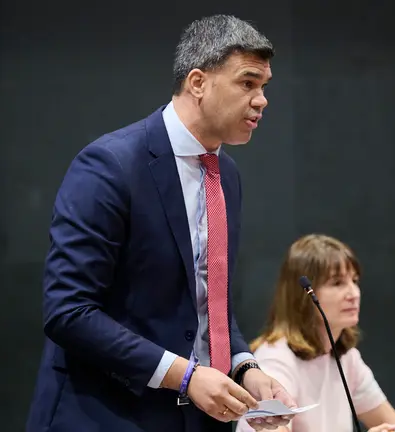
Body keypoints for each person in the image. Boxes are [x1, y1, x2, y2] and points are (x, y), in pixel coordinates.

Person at [25, 14, 296, 432]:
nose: (261, 100)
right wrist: (185, 376)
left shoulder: (226, 174)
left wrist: (245, 367)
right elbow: (69, 311)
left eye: (264, 86)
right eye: (247, 83)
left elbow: (207, 304)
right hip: (105, 415)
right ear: (198, 83)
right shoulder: (110, 165)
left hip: (198, 419)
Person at [236, 234, 395, 432]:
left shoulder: (347, 358)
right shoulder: (275, 360)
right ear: (303, 295)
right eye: (337, 283)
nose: (353, 294)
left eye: (354, 281)